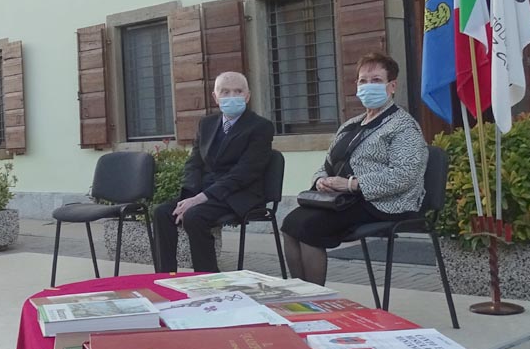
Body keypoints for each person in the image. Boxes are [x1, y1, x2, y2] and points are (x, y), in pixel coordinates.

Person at [281, 52, 427, 285]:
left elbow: (404, 175)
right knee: (290, 224)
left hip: (383, 202)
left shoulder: (403, 126)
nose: (368, 86)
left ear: (392, 86)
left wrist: (351, 184)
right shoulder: (351, 125)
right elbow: (326, 164)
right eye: (363, 81)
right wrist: (320, 180)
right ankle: (300, 292)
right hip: (342, 199)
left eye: (376, 80)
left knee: (309, 228)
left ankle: (314, 298)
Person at [153, 71, 274, 273]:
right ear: (215, 97)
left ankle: (207, 278)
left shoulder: (261, 127)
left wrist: (200, 198)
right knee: (162, 212)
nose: (232, 96)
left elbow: (245, 172)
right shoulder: (207, 124)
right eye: (225, 92)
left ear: (247, 96)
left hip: (239, 194)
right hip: (205, 194)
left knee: (194, 216)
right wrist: (191, 196)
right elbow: (194, 163)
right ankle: (166, 276)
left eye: (238, 91)